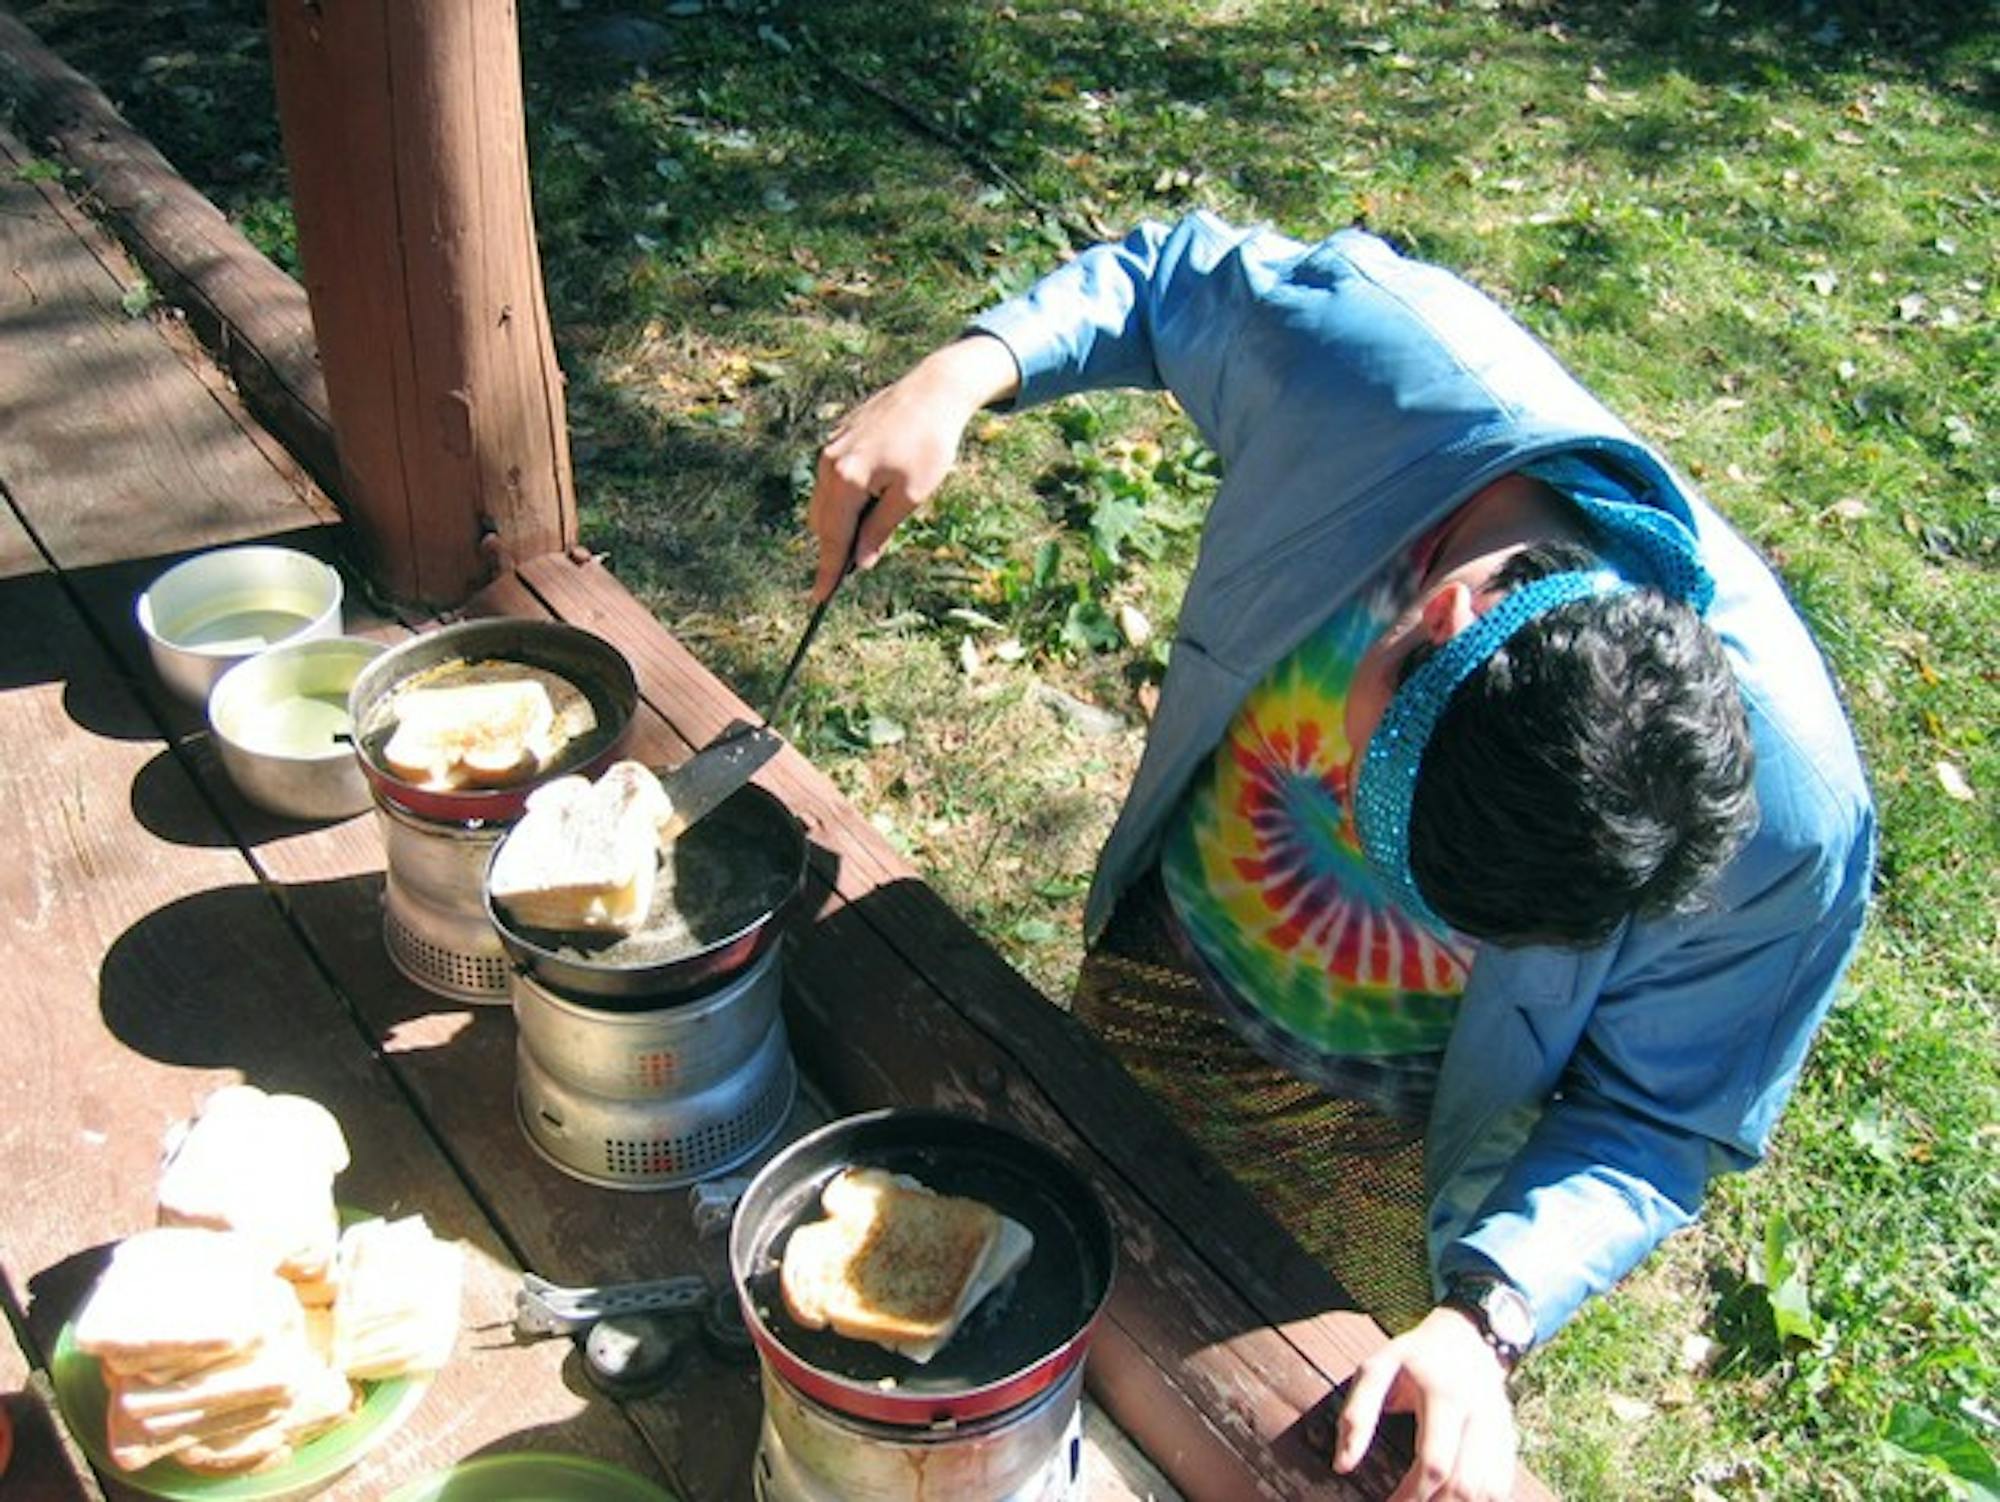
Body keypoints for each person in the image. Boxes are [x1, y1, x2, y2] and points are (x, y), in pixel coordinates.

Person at [807, 211, 1874, 1501]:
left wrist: (1487, 1321)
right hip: (1160, 973)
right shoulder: (1388, 371)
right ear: (1442, 610)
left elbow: (1659, 1115)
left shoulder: (1795, 831)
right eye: (1375, 813)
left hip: (1391, 1156)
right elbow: (1170, 286)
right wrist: (965, 370)